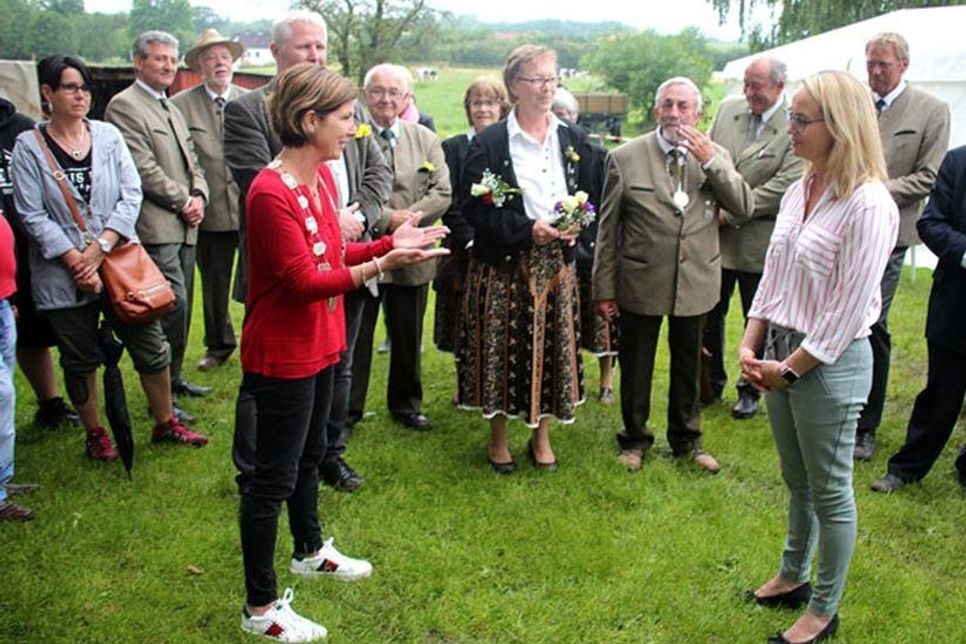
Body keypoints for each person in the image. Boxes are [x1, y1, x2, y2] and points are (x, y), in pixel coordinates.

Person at [235, 63, 447, 641]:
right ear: (309, 121)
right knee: (270, 480)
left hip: (324, 342)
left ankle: (307, 550)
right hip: (283, 354)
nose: (353, 129)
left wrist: (390, 241)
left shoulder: (322, 180)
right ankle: (259, 609)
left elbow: (333, 252)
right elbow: (304, 280)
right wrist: (384, 263)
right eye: (346, 117)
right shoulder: (269, 191)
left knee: (310, 456)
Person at [738, 71, 898, 643]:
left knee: (830, 490)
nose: (791, 128)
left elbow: (848, 307)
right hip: (781, 350)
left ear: (841, 126)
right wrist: (750, 340)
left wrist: (788, 369)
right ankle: (791, 576)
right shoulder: (797, 189)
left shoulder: (869, 204)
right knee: (797, 480)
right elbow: (773, 275)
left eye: (802, 120)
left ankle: (824, 609)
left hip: (827, 367)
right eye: (793, 117)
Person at [224, 9, 392, 494]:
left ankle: (325, 457)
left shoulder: (343, 103)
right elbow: (258, 179)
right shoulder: (248, 110)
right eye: (304, 48)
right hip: (289, 268)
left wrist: (361, 219)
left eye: (320, 47)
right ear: (276, 53)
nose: (315, 55)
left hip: (349, 249)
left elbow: (376, 169)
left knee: (337, 366)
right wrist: (326, 221)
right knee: (270, 379)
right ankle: (257, 469)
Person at [11, 55, 208, 461]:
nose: (80, 95)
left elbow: (130, 194)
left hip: (119, 262)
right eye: (69, 87)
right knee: (80, 357)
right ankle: (96, 433)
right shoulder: (29, 147)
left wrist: (98, 249)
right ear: (47, 93)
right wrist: (76, 261)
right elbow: (31, 213)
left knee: (151, 344)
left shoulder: (107, 136)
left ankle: (165, 421)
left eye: (83, 87)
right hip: (62, 271)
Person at [593, 77, 753, 474]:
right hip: (640, 279)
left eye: (684, 106)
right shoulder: (626, 157)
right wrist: (603, 288)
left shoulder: (715, 155)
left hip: (697, 281)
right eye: (667, 105)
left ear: (698, 114)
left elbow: (743, 207)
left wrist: (712, 163)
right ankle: (634, 439)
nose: (675, 114)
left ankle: (687, 439)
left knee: (689, 362)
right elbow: (607, 230)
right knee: (636, 362)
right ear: (655, 110)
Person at [457, 45, 596, 473]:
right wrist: (525, 230)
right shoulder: (489, 142)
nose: (546, 88)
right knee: (500, 349)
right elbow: (474, 208)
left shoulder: (572, 138)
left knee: (551, 347)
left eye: (552, 79)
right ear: (514, 85)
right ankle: (498, 438)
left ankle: (542, 435)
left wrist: (576, 225)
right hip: (503, 265)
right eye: (537, 80)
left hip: (556, 266)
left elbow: (591, 195)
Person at [105, 31, 212, 423]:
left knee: (181, 310)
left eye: (171, 60)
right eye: (158, 59)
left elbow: (193, 161)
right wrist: (183, 200)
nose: (168, 66)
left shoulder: (171, 106)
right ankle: (161, 397)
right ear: (138, 62)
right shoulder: (125, 107)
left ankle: (175, 378)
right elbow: (141, 167)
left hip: (186, 226)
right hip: (157, 226)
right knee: (170, 306)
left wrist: (199, 194)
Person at [854, 32, 950, 461]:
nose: (875, 72)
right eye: (871, 63)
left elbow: (928, 177)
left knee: (872, 323)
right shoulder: (856, 102)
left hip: (891, 234)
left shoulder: (931, 110)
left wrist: (873, 192)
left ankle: (865, 425)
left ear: (904, 66)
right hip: (845, 230)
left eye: (884, 66)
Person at [704, 56, 803, 419]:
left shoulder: (795, 122)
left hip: (760, 242)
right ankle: (709, 380)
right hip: (715, 240)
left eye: (757, 86)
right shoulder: (728, 111)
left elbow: (783, 186)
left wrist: (730, 212)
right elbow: (709, 161)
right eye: (746, 84)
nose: (749, 93)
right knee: (709, 313)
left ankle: (751, 388)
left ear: (779, 86)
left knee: (756, 317)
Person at [357, 63, 451, 432]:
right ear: (366, 95)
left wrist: (407, 219)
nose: (386, 98)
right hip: (367, 251)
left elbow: (442, 190)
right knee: (359, 335)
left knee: (408, 335)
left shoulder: (425, 138)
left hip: (413, 254)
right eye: (378, 91)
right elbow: (347, 190)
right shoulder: (353, 138)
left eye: (395, 92)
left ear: (407, 98)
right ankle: (348, 410)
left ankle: (407, 406)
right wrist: (385, 220)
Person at [871, 145, 966, 494]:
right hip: (957, 303)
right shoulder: (958, 161)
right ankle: (906, 468)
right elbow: (930, 223)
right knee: (942, 393)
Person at [1, 95, 79, 429]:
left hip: (33, 248)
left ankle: (51, 403)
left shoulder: (20, 129)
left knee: (37, 330)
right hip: (5, 260)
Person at [172, 29, 247, 373]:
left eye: (224, 57)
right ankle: (219, 345)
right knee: (214, 284)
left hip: (252, 208)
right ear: (199, 66)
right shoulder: (180, 106)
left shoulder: (252, 99)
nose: (219, 63)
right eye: (211, 58)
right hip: (211, 211)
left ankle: (261, 340)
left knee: (260, 279)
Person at [432, 77, 508, 390]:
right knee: (464, 318)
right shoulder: (453, 146)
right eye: (476, 102)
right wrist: (469, 238)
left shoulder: (509, 145)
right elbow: (449, 199)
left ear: (502, 107)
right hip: (464, 247)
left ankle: (496, 382)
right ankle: (466, 384)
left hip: (502, 244)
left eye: (489, 102)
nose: (482, 108)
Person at [551, 85, 614, 404]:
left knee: (600, 319)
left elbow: (607, 204)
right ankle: (571, 379)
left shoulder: (596, 153)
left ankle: (606, 380)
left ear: (576, 117)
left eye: (566, 115)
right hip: (557, 248)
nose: (562, 122)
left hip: (593, 245)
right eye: (555, 116)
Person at [0, 206, 36, 521]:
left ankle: (1, 482)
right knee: (1, 395)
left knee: (5, 395)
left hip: (3, 298)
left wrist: (9, 298)